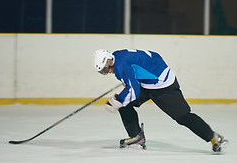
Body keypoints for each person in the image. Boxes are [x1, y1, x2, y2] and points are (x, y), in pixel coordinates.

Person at [93, 49, 228, 152]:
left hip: (164, 86)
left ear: (109, 60)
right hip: (148, 83)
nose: (107, 72)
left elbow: (133, 91)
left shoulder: (120, 66)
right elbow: (152, 56)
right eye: (103, 71)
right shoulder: (118, 56)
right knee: (124, 103)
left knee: (183, 117)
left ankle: (214, 137)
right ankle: (136, 137)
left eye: (106, 69)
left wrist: (118, 100)